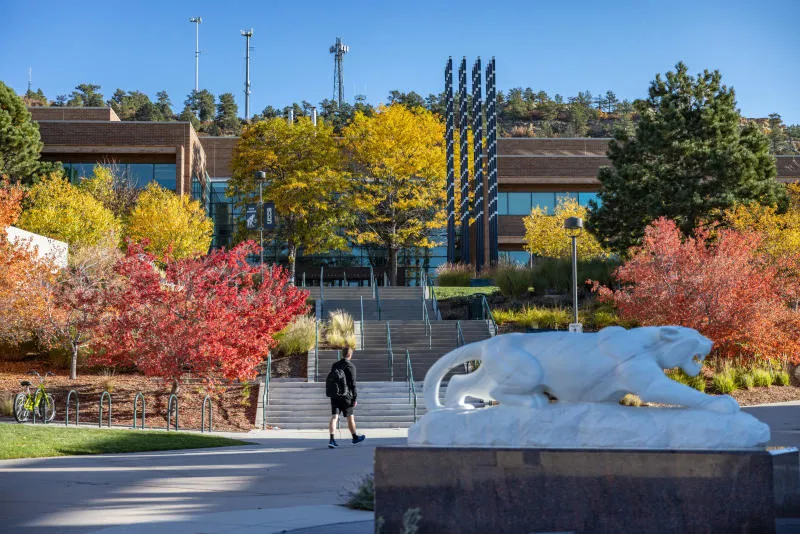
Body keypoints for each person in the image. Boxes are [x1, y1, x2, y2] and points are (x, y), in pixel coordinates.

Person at [328, 347, 366, 448]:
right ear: (350, 355)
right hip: (346, 396)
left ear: (342, 354)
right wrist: (354, 398)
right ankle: (354, 437)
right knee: (350, 417)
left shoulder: (335, 365)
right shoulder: (350, 366)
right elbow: (353, 384)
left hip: (335, 394)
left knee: (334, 417)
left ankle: (331, 440)